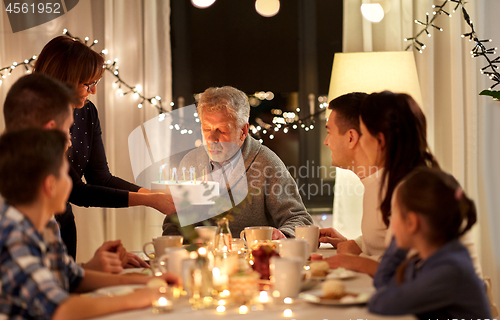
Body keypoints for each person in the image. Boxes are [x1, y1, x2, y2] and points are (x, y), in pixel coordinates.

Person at [0, 129, 179, 320]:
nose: (72, 184)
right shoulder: (14, 234)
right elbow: (59, 310)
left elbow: (74, 277)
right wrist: (139, 297)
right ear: (50, 185)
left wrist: (149, 281)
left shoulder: (47, 227)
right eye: (66, 174)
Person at [32, 35, 175, 259]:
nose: (93, 91)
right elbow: (76, 191)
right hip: (38, 225)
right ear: (63, 81)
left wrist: (153, 194)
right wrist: (150, 200)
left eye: (94, 83)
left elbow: (101, 178)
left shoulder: (86, 111)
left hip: (63, 223)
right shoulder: (40, 122)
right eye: (87, 84)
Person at [2, 73, 145, 273]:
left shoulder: (49, 222)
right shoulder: (16, 225)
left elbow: (64, 278)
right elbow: (57, 302)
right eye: (69, 130)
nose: (71, 141)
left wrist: (95, 267)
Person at [162, 86, 313, 239]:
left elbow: (300, 220)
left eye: (222, 131)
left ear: (243, 131)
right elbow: (174, 223)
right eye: (207, 129)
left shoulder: (267, 163)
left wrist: (283, 234)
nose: (212, 139)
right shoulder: (191, 162)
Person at [319, 91, 439, 276]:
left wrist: (357, 259)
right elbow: (387, 243)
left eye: (365, 134)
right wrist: (356, 244)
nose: (326, 142)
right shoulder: (380, 184)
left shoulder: (404, 190)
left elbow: (416, 269)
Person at [368, 168, 492, 320]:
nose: (391, 222)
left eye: (394, 214)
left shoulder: (449, 270)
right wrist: (399, 241)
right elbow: (383, 284)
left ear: (412, 222)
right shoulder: (426, 261)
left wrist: (397, 239)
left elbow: (383, 303)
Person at [322, 92, 391, 259]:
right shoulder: (372, 183)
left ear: (351, 137)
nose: (326, 141)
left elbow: (412, 265)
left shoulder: (394, 188)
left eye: (329, 132)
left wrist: (357, 258)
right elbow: (383, 245)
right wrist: (352, 244)